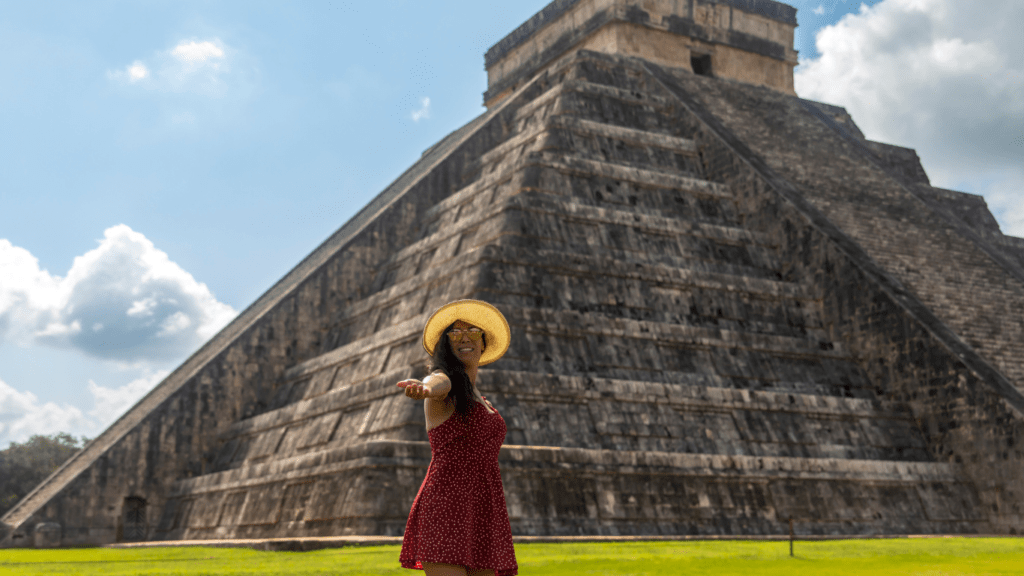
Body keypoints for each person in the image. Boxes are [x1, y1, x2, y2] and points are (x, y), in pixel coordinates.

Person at [396, 299, 518, 576]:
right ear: (446, 344)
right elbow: (437, 383)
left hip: (483, 509)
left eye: (473, 331)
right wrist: (423, 388)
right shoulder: (445, 382)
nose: (465, 338)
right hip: (446, 505)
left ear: (484, 342)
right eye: (455, 333)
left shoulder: (480, 399)